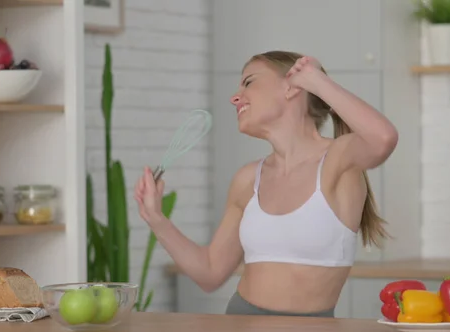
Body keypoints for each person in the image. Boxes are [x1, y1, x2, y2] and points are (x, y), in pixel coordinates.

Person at [134, 50, 399, 317]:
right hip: (239, 323)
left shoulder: (338, 161)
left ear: (293, 88)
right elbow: (211, 272)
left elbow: (383, 138)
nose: (234, 97)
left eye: (248, 82)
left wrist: (315, 80)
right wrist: (156, 218)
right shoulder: (248, 179)